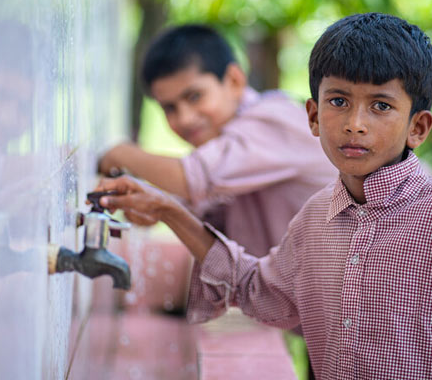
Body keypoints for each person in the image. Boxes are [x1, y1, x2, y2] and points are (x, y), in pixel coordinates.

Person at [94, 13, 432, 379]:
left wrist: (116, 154)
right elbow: (253, 287)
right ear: (313, 117)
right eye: (338, 102)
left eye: (381, 106)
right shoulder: (316, 218)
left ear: (418, 127)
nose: (355, 122)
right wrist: (166, 210)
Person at [98, 24, 336, 256]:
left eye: (194, 96)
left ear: (234, 80)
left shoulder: (275, 118)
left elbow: (190, 178)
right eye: (169, 108)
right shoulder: (230, 152)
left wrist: (119, 154)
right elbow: (191, 207)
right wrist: (150, 206)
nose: (185, 118)